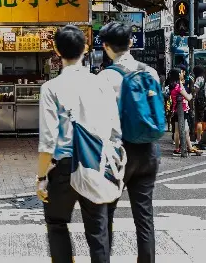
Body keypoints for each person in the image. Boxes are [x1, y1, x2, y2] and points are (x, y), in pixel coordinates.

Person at [38, 25, 118, 263]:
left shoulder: (50, 88)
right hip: (95, 162)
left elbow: (47, 141)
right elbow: (114, 128)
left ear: (56, 50)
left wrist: (41, 178)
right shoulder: (101, 83)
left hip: (63, 167)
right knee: (98, 230)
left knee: (56, 222)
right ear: (85, 48)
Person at [97, 21, 163, 262]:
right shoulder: (149, 71)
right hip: (149, 151)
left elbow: (100, 121)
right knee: (144, 216)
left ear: (106, 47)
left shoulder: (105, 78)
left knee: (106, 213)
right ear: (131, 43)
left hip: (119, 154)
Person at [167, 68, 196, 157]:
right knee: (180, 130)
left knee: (183, 130)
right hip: (181, 110)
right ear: (177, 75)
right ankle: (179, 148)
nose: (182, 74)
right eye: (181, 73)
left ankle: (187, 147)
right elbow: (188, 97)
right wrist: (193, 93)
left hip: (176, 110)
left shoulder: (173, 85)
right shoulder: (178, 87)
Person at [192, 65, 206, 144]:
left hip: (199, 101)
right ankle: (201, 137)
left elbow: (195, 90)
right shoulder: (204, 78)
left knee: (199, 120)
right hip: (203, 101)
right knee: (202, 119)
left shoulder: (199, 79)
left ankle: (198, 138)